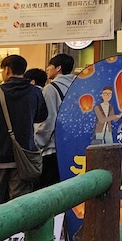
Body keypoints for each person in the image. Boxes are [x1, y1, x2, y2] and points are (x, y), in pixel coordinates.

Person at [0, 54, 48, 211]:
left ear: (7, 70)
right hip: (23, 156)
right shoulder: (34, 92)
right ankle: (19, 234)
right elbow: (41, 116)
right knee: (20, 204)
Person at [36, 53, 76, 187]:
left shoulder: (50, 89)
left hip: (53, 149)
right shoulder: (78, 85)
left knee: (50, 192)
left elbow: (49, 119)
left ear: (58, 68)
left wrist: (38, 142)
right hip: (73, 145)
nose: (47, 69)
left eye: (50, 66)